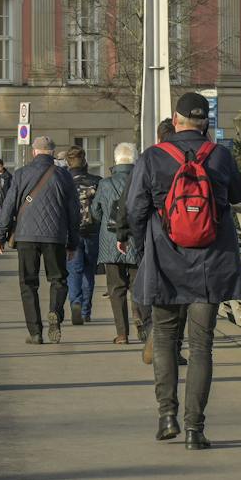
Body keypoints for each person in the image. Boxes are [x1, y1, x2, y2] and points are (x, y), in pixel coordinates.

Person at [128, 92, 241, 450]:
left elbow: (134, 210)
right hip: (210, 265)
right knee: (202, 347)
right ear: (205, 124)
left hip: (166, 263)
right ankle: (195, 430)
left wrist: (143, 249)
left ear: (176, 121)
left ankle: (167, 416)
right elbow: (239, 194)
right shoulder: (220, 156)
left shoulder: (153, 157)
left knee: (165, 339)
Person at [0, 134, 80, 344]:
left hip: (26, 235)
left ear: (34, 152)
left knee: (28, 284)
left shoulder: (21, 173)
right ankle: (55, 312)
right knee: (58, 279)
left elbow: (8, 205)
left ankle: (35, 332)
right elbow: (74, 212)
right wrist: (73, 242)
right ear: (52, 153)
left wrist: (0, 234)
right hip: (56, 236)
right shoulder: (64, 176)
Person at [95, 142, 139, 344]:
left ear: (115, 161)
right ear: (134, 160)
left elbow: (95, 212)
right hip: (136, 240)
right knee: (138, 286)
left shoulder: (105, 184)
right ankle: (142, 325)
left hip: (110, 241)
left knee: (115, 288)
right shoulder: (140, 181)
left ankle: (122, 333)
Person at [65, 146, 103, 325]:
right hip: (92, 231)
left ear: (68, 162)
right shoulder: (96, 181)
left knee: (74, 270)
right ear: (85, 161)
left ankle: (76, 303)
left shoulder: (64, 181)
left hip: (71, 232)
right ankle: (86, 310)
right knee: (89, 271)